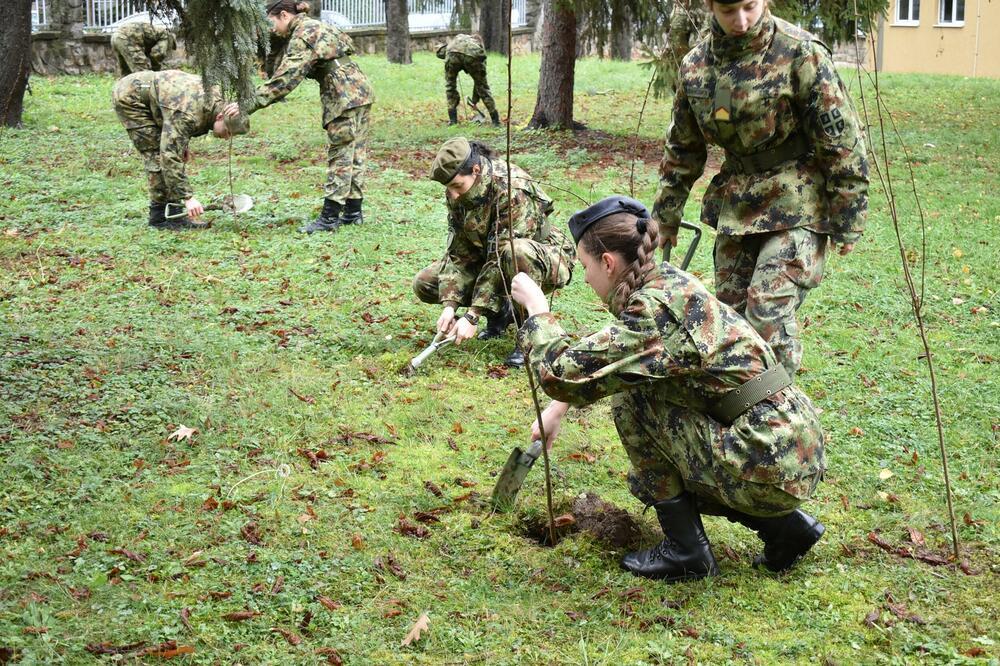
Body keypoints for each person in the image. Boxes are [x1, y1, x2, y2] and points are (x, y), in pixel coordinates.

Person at [511, 196, 826, 582]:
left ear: (608, 262)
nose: (587, 278)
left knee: (634, 403)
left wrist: (538, 311)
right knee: (643, 414)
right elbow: (618, 353)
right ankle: (787, 529)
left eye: (586, 266)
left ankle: (687, 552)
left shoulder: (655, 314)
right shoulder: (670, 283)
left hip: (768, 456)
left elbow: (562, 374)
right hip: (789, 444)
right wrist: (558, 410)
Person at [652, 0, 869, 377]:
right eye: (728, 11)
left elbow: (841, 138)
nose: (741, 21)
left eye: (750, 7)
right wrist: (666, 216)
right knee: (732, 325)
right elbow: (683, 148)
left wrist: (849, 213)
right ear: (711, 7)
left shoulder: (800, 53)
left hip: (798, 199)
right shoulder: (698, 67)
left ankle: (781, 421)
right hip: (738, 207)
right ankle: (745, 419)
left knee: (767, 312)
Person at [413, 138, 575, 368]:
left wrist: (472, 315)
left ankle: (529, 336)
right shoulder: (458, 190)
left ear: (476, 170)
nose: (453, 194)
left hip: (542, 256)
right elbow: (460, 252)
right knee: (426, 283)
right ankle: (500, 314)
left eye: (457, 186)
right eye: (448, 188)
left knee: (514, 253)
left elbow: (500, 256)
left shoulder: (511, 188)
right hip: (492, 255)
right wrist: (450, 306)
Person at [226, 0, 374, 234]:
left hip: (341, 92)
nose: (271, 29)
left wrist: (247, 104)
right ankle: (353, 213)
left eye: (271, 22)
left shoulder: (303, 34)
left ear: (283, 15)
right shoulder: (317, 25)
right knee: (356, 152)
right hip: (360, 87)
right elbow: (348, 44)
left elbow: (286, 79)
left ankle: (329, 218)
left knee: (341, 153)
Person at [112, 70, 249, 230]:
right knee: (157, 154)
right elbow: (168, 155)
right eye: (227, 132)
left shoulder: (218, 104)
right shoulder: (187, 115)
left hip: (159, 97)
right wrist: (188, 198)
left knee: (175, 152)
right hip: (132, 98)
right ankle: (159, 219)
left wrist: (182, 144)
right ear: (220, 117)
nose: (227, 138)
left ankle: (174, 215)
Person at [436, 33, 500, 127]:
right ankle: (496, 121)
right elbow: (480, 83)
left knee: (450, 87)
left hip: (452, 54)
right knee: (483, 88)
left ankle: (453, 121)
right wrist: (475, 100)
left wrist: (474, 100)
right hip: (472, 56)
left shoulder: (459, 39)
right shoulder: (477, 46)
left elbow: (440, 53)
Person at [111, 21, 177, 76]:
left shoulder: (158, 32)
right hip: (128, 38)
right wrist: (156, 71)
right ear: (172, 42)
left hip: (116, 37)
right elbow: (157, 54)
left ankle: (122, 91)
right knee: (143, 74)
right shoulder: (167, 37)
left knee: (126, 74)